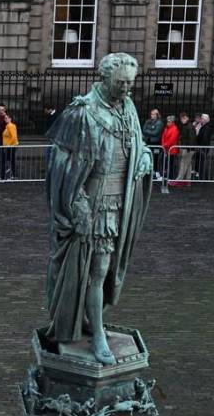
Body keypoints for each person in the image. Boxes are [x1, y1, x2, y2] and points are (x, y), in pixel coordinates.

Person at [45, 53, 153, 365]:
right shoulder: (83, 112)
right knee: (97, 271)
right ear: (104, 79)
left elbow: (139, 144)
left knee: (107, 271)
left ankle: (92, 319)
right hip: (95, 207)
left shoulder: (128, 107)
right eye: (120, 83)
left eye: (130, 84)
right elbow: (61, 165)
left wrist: (145, 156)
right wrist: (76, 205)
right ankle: (98, 336)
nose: (126, 89)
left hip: (123, 202)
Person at [172, 111, 197, 186]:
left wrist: (189, 148)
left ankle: (179, 179)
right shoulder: (188, 126)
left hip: (187, 148)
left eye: (184, 118)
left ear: (187, 118)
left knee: (183, 164)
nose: (183, 120)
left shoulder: (189, 126)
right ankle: (187, 180)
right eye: (182, 119)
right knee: (188, 164)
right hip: (187, 148)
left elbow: (192, 138)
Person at [142, 109, 163, 180]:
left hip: (156, 142)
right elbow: (143, 130)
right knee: (148, 156)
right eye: (151, 114)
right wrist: (151, 129)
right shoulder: (148, 121)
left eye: (154, 114)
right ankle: (150, 171)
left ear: (157, 115)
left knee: (156, 157)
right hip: (149, 142)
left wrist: (148, 130)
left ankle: (157, 172)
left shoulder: (159, 122)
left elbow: (155, 133)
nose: (152, 115)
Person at [161, 115, 180, 182]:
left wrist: (164, 145)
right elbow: (163, 136)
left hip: (172, 150)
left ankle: (171, 176)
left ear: (172, 122)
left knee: (171, 164)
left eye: (169, 122)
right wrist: (163, 144)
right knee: (166, 163)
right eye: (167, 121)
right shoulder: (167, 128)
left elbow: (172, 140)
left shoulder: (175, 129)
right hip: (166, 148)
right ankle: (167, 176)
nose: (168, 123)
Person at [0, 113, 19, 180]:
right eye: (5, 118)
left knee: (5, 161)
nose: (5, 119)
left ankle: (4, 176)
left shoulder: (10, 126)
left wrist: (8, 145)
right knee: (10, 161)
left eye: (6, 118)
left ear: (10, 119)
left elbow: (14, 137)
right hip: (9, 146)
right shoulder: (8, 126)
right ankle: (11, 175)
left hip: (10, 147)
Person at [195, 114, 213, 180]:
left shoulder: (206, 127)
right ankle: (203, 176)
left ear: (205, 120)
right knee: (202, 162)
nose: (201, 120)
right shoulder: (205, 126)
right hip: (203, 147)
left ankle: (203, 176)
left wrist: (201, 146)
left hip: (203, 147)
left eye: (202, 118)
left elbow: (204, 138)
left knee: (203, 162)